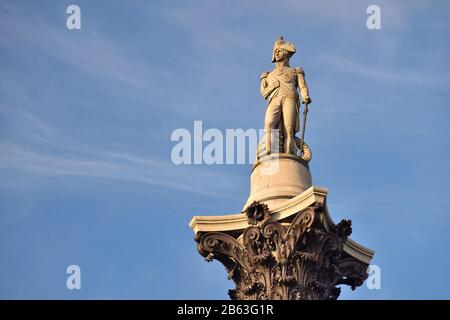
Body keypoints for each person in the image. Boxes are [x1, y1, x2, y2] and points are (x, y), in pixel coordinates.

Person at [260, 36, 312, 155]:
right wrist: (273, 86)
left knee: (289, 129)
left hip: (290, 98)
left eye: (279, 50)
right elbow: (263, 93)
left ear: (286, 53)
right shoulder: (267, 75)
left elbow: (302, 86)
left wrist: (305, 96)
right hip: (274, 99)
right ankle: (269, 152)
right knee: (268, 124)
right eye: (275, 51)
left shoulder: (296, 71)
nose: (276, 53)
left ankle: (288, 155)